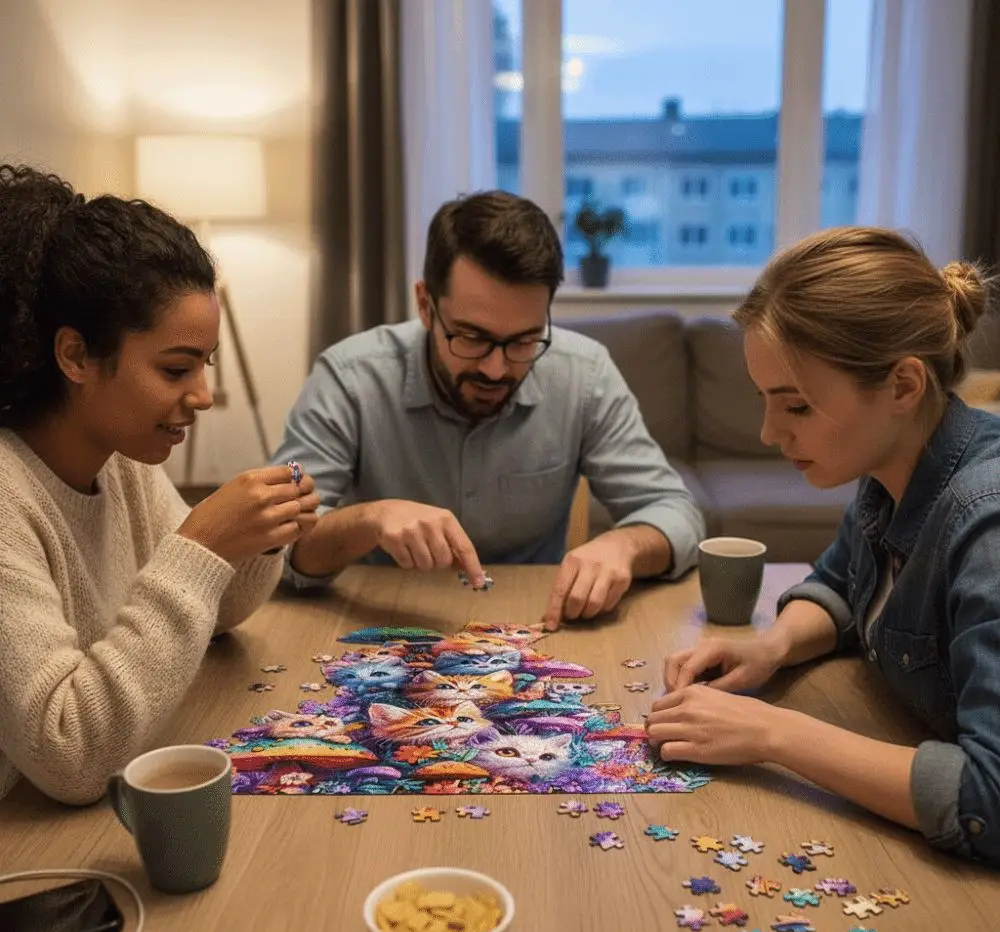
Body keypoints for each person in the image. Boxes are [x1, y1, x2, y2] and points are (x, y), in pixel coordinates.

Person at [645, 226, 1000, 865]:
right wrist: (772, 647)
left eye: (797, 407)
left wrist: (771, 733)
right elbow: (841, 583)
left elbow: (990, 799)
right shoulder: (893, 466)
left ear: (902, 385)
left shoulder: (987, 523)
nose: (767, 432)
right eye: (765, 401)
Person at [0, 165, 321, 806]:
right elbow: (70, 754)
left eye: (205, 364)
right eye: (177, 368)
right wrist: (201, 542)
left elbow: (218, 615)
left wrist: (252, 535)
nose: (202, 395)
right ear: (75, 357)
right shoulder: (9, 498)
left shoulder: (118, 462)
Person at [273, 191, 704, 628]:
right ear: (425, 305)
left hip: (538, 626)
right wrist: (367, 520)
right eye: (472, 337)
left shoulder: (585, 374)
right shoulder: (348, 377)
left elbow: (675, 512)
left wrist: (624, 546)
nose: (496, 370)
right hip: (375, 626)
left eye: (523, 341)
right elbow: (277, 543)